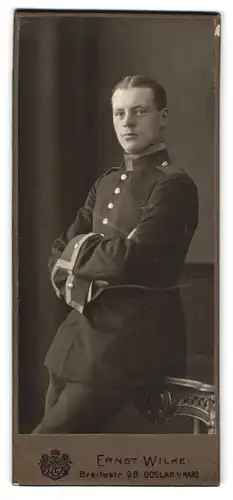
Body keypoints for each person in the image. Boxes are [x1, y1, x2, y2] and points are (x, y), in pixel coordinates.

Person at [32, 75, 198, 434]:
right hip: (78, 337)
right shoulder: (105, 182)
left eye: (139, 111)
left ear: (162, 116)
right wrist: (90, 250)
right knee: (50, 458)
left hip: (128, 342)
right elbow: (57, 255)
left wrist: (84, 251)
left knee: (46, 449)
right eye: (119, 113)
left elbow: (131, 260)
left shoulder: (173, 184)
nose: (128, 122)